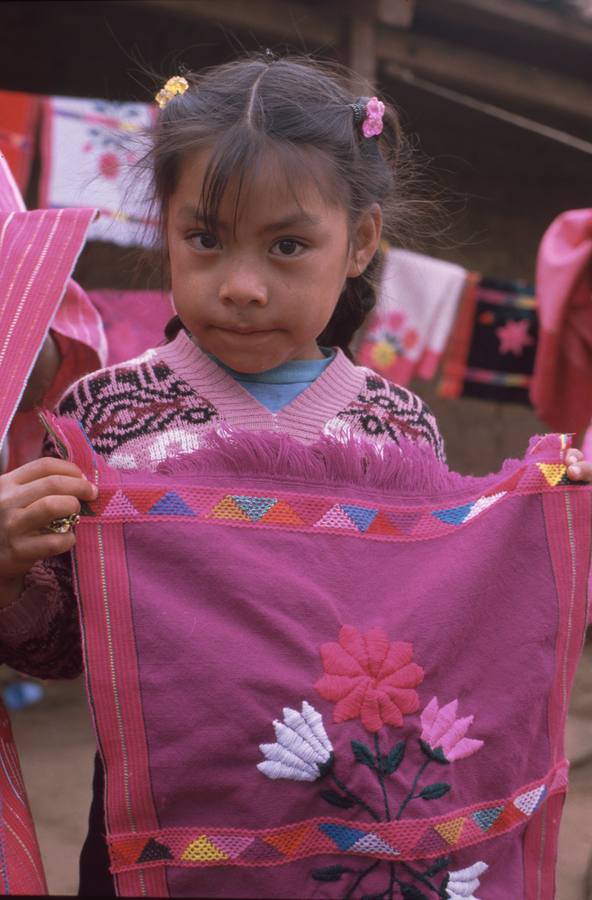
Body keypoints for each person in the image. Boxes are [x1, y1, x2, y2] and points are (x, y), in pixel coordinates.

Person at [0, 55, 590, 897]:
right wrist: (9, 571)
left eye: (287, 245)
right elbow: (68, 648)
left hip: (355, 833)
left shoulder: (397, 428)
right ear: (163, 227)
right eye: (205, 239)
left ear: (359, 244)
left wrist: (530, 532)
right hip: (161, 830)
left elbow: (433, 627)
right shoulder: (105, 417)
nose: (241, 285)